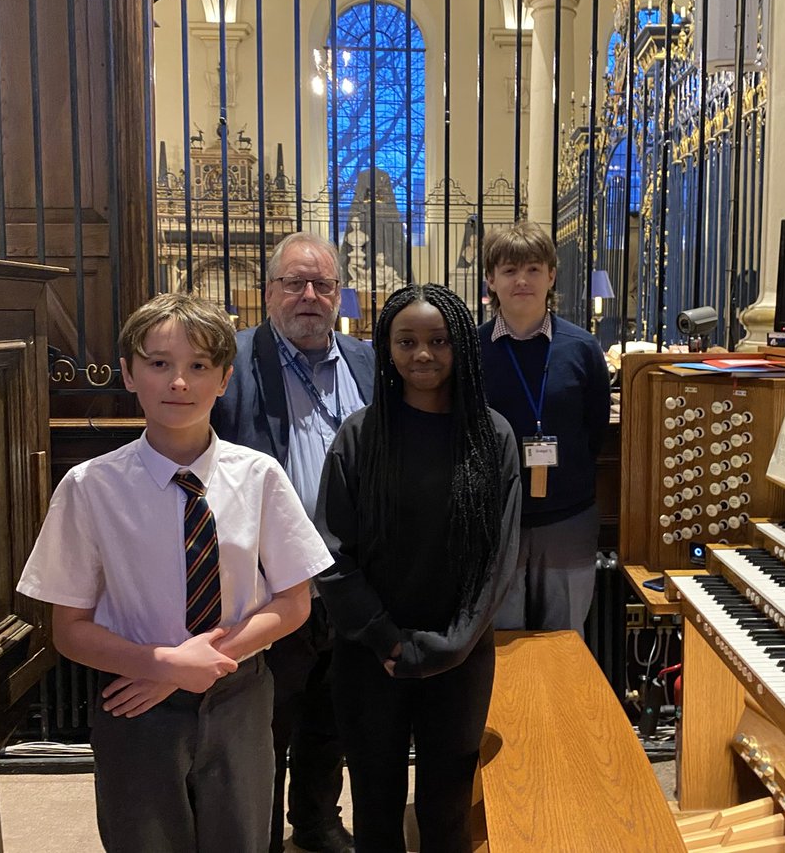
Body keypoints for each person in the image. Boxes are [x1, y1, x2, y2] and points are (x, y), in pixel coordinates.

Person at [16, 293, 332, 852]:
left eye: (199, 366)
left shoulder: (258, 476)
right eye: (159, 363)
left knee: (243, 838)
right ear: (128, 374)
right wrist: (161, 666)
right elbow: (69, 629)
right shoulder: (91, 487)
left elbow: (294, 602)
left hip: (239, 697)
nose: (179, 382)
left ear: (224, 379)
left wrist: (198, 665)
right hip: (134, 703)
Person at [316, 283, 522, 853]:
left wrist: (452, 645)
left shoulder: (492, 436)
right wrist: (384, 638)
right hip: (370, 656)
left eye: (439, 341)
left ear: (462, 347)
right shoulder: (360, 434)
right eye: (406, 341)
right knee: (377, 808)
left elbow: (500, 556)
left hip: (460, 656)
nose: (423, 354)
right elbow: (331, 551)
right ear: (386, 348)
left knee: (447, 810)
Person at [211, 232, 372, 853]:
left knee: (334, 711)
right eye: (294, 283)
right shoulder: (233, 362)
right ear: (269, 290)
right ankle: (263, 836)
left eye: (322, 284)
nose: (309, 296)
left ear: (338, 293)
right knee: (267, 720)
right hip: (270, 581)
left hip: (350, 575)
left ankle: (317, 819)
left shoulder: (365, 360)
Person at [478, 222, 611, 636]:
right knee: (500, 642)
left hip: (567, 520)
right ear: (491, 279)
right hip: (495, 522)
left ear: (551, 276)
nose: (522, 280)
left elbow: (595, 428)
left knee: (564, 637)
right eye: (509, 270)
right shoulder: (472, 349)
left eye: (533, 269)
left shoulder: (582, 348)